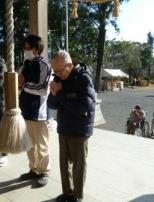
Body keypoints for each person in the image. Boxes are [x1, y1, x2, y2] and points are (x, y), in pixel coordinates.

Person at [47, 50, 96, 202]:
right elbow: (51, 103)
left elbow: (82, 107)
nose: (56, 74)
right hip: (64, 126)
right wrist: (55, 94)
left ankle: (77, 195)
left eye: (59, 71)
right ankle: (67, 192)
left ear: (69, 65)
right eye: (54, 71)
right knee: (64, 163)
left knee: (78, 165)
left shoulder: (84, 79)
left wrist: (60, 95)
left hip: (80, 128)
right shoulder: (58, 77)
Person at [19, 34, 51, 187]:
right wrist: (20, 84)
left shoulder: (44, 65)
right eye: (25, 48)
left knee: (41, 144)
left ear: (37, 49)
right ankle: (33, 169)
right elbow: (19, 83)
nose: (26, 50)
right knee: (29, 144)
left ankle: (44, 171)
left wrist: (24, 85)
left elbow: (43, 89)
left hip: (39, 112)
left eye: (28, 48)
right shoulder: (25, 64)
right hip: (25, 111)